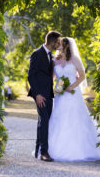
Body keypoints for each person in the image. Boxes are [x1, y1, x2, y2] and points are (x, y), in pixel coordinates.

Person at [48, 37, 100, 161]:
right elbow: (53, 77)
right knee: (59, 118)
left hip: (73, 94)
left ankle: (78, 149)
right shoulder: (55, 60)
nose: (58, 45)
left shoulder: (74, 59)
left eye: (61, 43)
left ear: (67, 46)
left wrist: (71, 86)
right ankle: (55, 148)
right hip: (60, 96)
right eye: (57, 43)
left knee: (75, 118)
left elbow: (82, 76)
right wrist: (56, 87)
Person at [27, 31, 61, 162]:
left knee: (43, 121)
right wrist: (37, 95)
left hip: (49, 94)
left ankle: (37, 149)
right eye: (57, 42)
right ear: (52, 42)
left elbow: (49, 76)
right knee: (44, 120)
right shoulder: (36, 54)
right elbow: (31, 76)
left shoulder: (50, 55)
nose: (58, 44)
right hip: (40, 95)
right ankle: (44, 152)